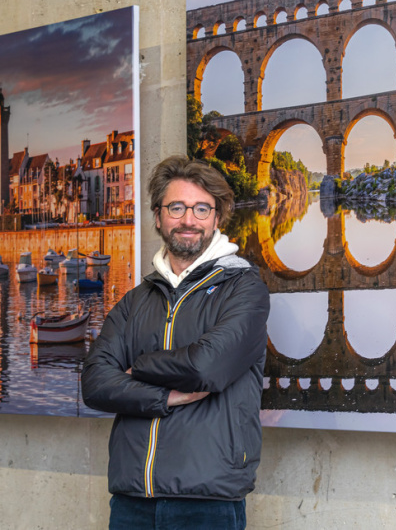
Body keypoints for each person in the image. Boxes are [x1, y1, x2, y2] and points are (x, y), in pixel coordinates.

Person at [82, 155, 269, 529]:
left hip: (207, 501)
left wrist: (142, 366)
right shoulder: (136, 300)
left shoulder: (245, 287)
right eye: (177, 207)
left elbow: (207, 367)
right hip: (132, 499)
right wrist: (163, 396)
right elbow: (95, 382)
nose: (188, 220)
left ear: (217, 218)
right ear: (158, 216)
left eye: (202, 208)